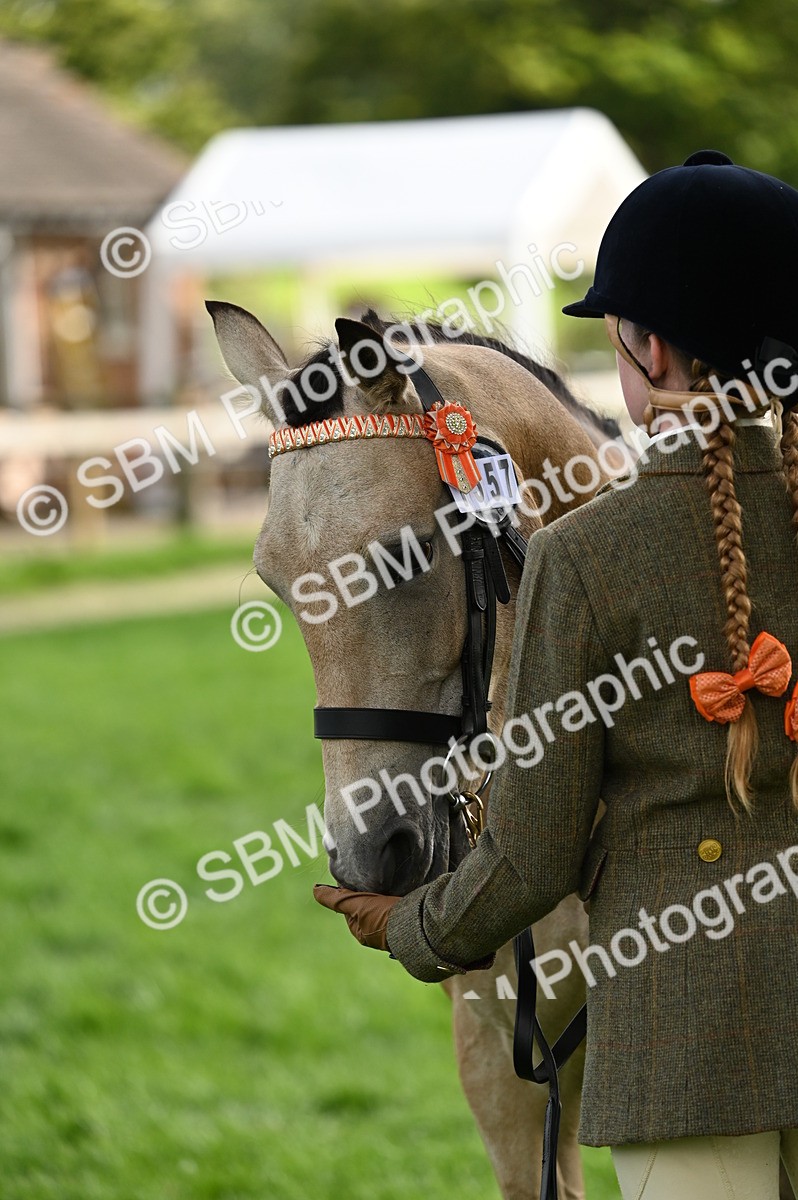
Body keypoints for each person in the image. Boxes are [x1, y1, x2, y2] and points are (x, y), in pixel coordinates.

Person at [314, 150, 798, 1199]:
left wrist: (408, 926)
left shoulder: (585, 558)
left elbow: (530, 855)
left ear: (645, 346)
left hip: (691, 1050)